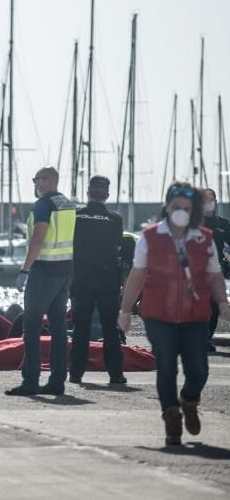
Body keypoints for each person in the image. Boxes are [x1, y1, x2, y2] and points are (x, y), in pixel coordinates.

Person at [119, 182, 230, 446]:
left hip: (195, 316)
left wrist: (223, 303)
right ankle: (171, 416)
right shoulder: (150, 236)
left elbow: (214, 275)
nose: (181, 211)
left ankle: (189, 400)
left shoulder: (205, 238)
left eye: (186, 208)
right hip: (158, 315)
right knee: (166, 366)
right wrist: (125, 310)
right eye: (176, 206)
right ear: (167, 207)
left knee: (199, 371)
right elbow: (137, 274)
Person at [6, 166, 76, 397]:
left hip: (44, 270)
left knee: (32, 325)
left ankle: (31, 381)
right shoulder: (68, 204)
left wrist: (25, 270)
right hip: (65, 270)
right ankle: (57, 381)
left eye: (37, 180)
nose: (36, 184)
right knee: (58, 327)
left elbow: (38, 238)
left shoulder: (43, 205)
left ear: (46, 181)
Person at [69, 176, 126, 385]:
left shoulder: (76, 216)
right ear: (107, 195)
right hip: (108, 279)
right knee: (110, 327)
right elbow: (119, 246)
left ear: (88, 193)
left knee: (80, 328)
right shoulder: (115, 219)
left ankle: (75, 373)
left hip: (82, 278)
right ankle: (116, 374)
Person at [201, 188, 230, 351]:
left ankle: (206, 339)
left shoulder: (223, 224)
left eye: (210, 199)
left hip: (216, 272)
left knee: (213, 307)